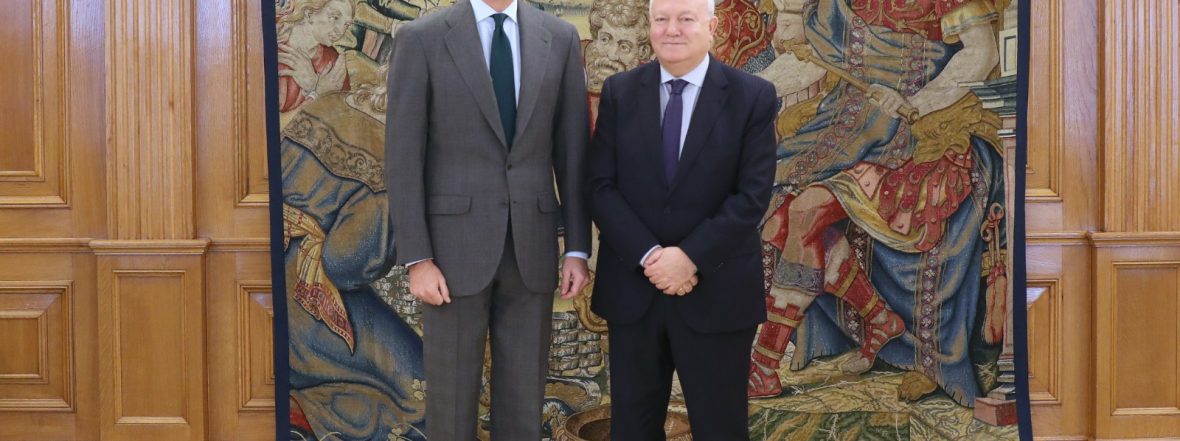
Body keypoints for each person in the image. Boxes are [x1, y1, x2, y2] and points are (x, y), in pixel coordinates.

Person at [747, 0, 1007, 406]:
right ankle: (880, 319)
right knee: (776, 220)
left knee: (804, 211)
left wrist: (916, 102)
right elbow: (814, 61)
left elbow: (982, 52)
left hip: (912, 131)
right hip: (844, 126)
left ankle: (763, 366)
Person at [384, 0, 593, 438]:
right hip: (449, 256)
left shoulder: (559, 38)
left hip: (532, 248)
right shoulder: (422, 39)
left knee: (523, 403)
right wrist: (417, 258)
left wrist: (576, 247)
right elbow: (403, 158)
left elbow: (573, 152)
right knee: (452, 404)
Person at [586, 0, 777, 436]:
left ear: (712, 27)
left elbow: (751, 197)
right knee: (632, 429)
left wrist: (689, 258)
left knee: (720, 429)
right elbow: (600, 186)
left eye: (686, 19)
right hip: (635, 294)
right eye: (662, 19)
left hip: (717, 294)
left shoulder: (752, 97)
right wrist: (650, 256)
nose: (672, 29)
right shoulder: (619, 93)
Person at [277, 0, 355, 113]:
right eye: (335, 18)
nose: (341, 31)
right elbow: (267, 120)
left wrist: (314, 85)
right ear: (309, 14)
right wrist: (317, 93)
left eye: (346, 25)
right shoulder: (276, 52)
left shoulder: (333, 60)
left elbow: (343, 115)